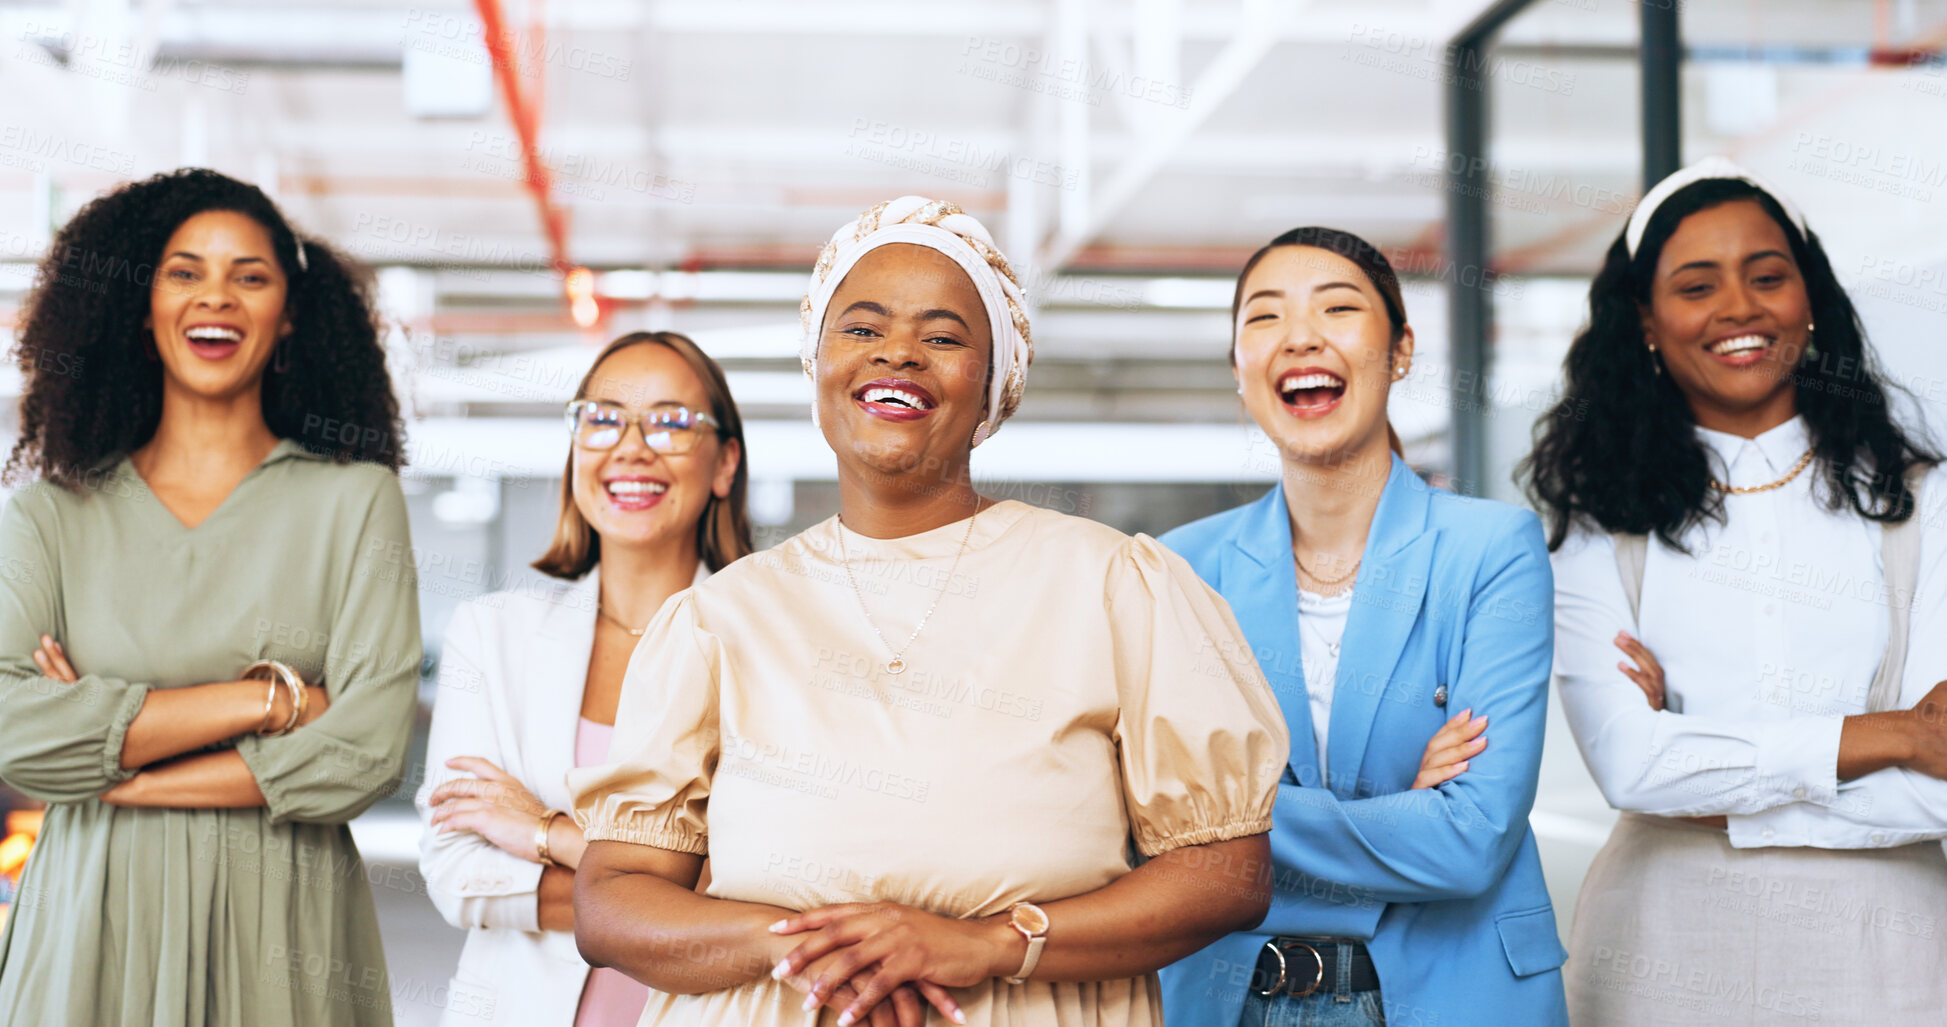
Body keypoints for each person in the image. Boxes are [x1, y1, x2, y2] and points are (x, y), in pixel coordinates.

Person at [566, 196, 1287, 1027]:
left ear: (994, 384)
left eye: (942, 337)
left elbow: (1228, 872)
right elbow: (612, 899)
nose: (898, 353)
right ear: (817, 364)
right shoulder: (718, 619)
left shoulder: (1113, 585)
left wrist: (986, 942)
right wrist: (810, 947)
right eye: (862, 329)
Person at [1523, 157, 1947, 1024]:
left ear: (1810, 299)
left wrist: (1713, 784)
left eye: (1766, 277)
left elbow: (1940, 783)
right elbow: (1629, 765)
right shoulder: (1599, 521)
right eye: (1695, 285)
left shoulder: (1923, 502)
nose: (1739, 310)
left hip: (1889, 950)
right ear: (1644, 318)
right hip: (1661, 949)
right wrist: (1888, 733)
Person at [0, 168, 420, 1024]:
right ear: (141, 305)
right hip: (91, 925)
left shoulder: (355, 500)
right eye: (184, 272)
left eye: (250, 276)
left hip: (286, 930)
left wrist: (124, 766)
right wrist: (269, 700)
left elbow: (366, 751)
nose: (215, 298)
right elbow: (15, 732)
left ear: (289, 310)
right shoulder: (51, 514)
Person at [1157, 228, 1568, 1027]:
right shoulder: (1182, 570)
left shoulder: (1490, 550)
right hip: (1231, 999)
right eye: (1265, 317)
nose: (1301, 336)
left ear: (1401, 348)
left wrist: (1224, 826)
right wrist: (1398, 810)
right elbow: (1142, 826)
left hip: (1454, 993)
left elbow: (1470, 837)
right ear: (1238, 369)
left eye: (1338, 308)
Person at [415, 330, 752, 1027]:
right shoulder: (492, 636)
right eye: (601, 418)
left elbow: (769, 888)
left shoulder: (767, 648)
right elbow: (457, 873)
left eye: (668, 420)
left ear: (724, 463)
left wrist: (547, 834)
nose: (631, 445)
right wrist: (676, 891)